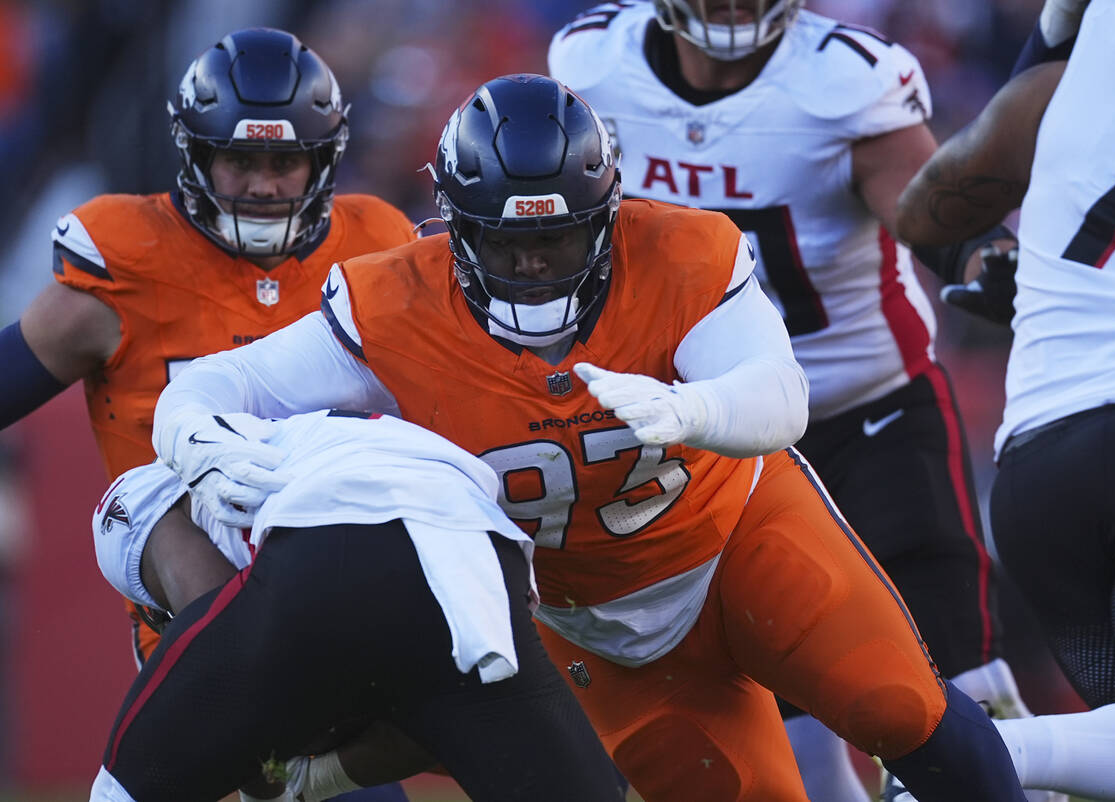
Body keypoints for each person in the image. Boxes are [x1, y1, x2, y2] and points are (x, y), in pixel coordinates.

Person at [149, 72, 1027, 802]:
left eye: (559, 238)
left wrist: (693, 413)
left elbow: (781, 397)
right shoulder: (391, 302)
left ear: (607, 215)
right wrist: (195, 437)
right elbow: (222, 383)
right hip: (595, 624)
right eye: (507, 242)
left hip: (744, 538)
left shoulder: (683, 251)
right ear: (457, 229)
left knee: (898, 706)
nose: (533, 265)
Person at [546, 4, 1040, 800]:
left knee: (956, 662)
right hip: (714, 431)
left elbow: (925, 204)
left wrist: (979, 252)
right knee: (774, 679)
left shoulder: (841, 81)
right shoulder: (593, 65)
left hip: (864, 410)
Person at [0, 26, 417, 672]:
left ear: (323, 159)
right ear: (195, 154)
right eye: (239, 160)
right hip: (192, 591)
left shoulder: (379, 249)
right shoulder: (127, 261)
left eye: (284, 162)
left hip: (346, 578)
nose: (261, 185)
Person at [896, 0, 1115, 792]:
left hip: (1034, 469)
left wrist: (1054, 38)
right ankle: (969, 757)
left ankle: (994, 761)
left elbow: (925, 208)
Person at [86, 409, 623, 802]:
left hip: (338, 539)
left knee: (125, 791)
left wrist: (260, 762)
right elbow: (422, 728)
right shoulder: (299, 432)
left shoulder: (147, 499)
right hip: (478, 561)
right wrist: (311, 780)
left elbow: (228, 645)